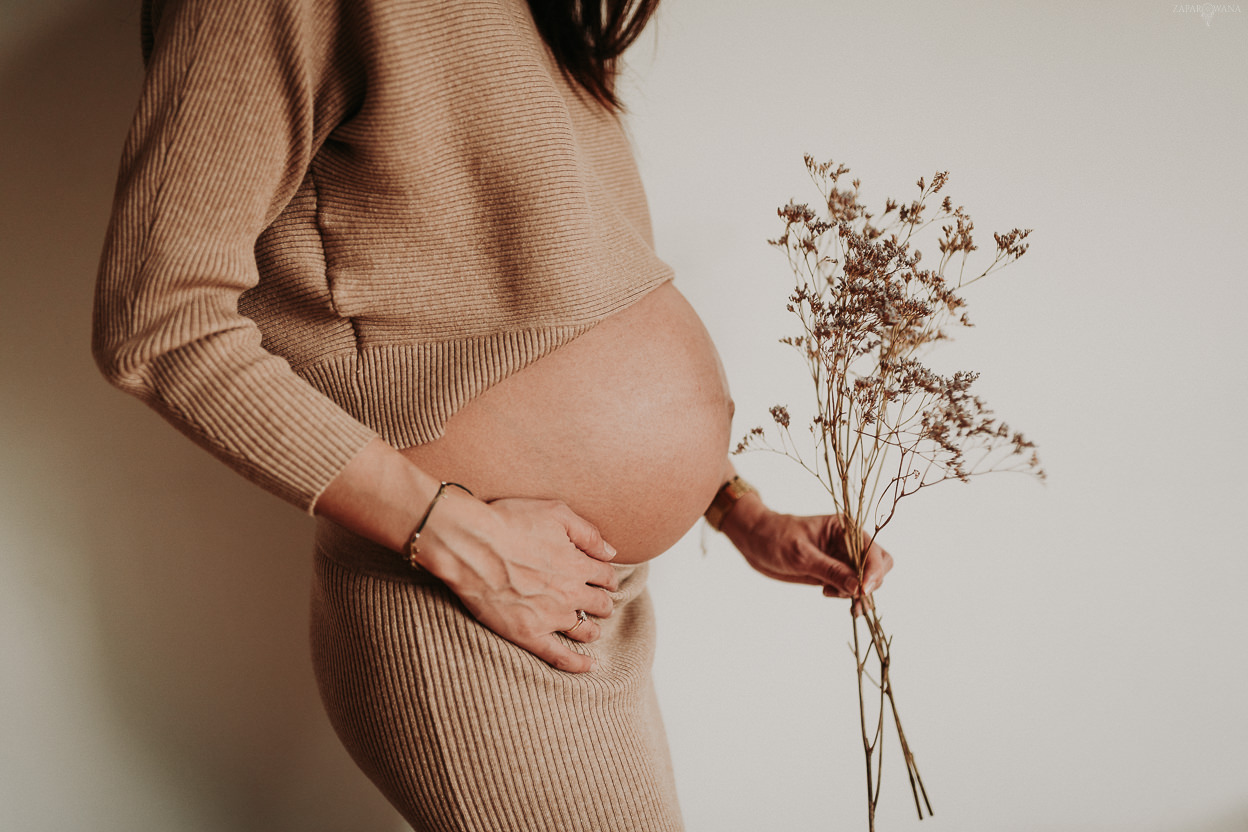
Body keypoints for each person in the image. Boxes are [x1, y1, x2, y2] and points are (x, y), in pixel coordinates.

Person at [92, 0, 893, 829]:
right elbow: (158, 319)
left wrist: (733, 506)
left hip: (579, 592)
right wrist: (459, 542)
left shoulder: (557, 10)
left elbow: (553, 297)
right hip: (460, 602)